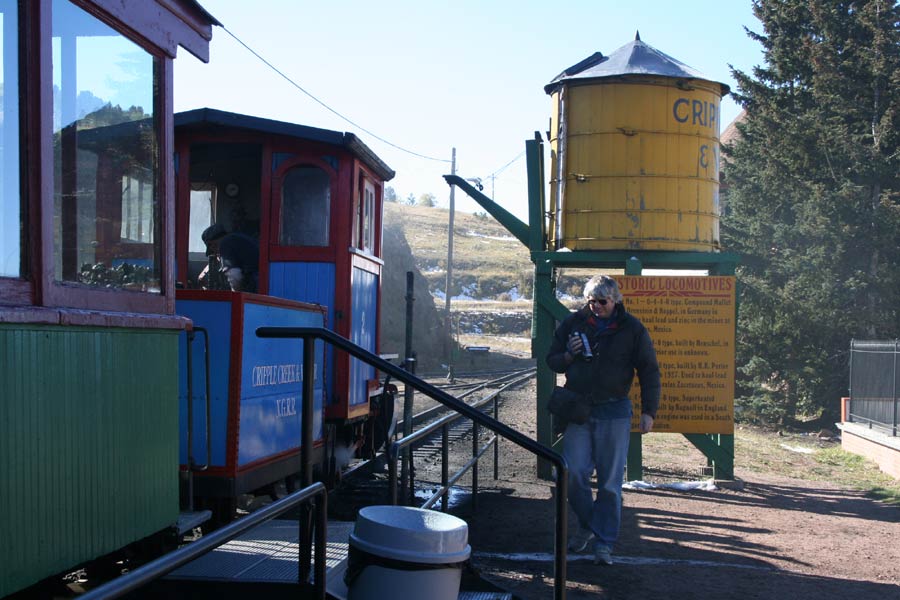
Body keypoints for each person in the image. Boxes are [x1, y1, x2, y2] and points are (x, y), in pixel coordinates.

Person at [546, 274, 660, 566]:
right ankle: (590, 526)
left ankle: (604, 544)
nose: (595, 306)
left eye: (602, 301)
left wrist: (649, 411)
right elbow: (552, 360)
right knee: (571, 473)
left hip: (615, 411)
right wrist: (569, 356)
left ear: (615, 300)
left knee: (610, 483)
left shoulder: (632, 328)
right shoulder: (573, 324)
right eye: (590, 301)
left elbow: (648, 370)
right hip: (579, 410)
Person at [200, 224, 259, 293]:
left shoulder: (225, 243)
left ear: (212, 244)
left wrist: (234, 297)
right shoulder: (237, 238)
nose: (216, 253)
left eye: (213, 249)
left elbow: (234, 276)